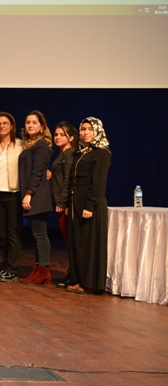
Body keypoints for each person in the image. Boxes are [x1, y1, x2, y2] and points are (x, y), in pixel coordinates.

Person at [66, 118, 111, 295]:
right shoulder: (80, 153)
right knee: (78, 243)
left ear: (97, 131)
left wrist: (90, 206)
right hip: (76, 203)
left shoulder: (102, 154)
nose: (85, 133)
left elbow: (98, 183)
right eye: (83, 129)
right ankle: (78, 279)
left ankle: (89, 282)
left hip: (91, 205)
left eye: (90, 129)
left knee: (88, 245)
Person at [0, 111, 24, 282]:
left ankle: (12, 269)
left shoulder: (21, 145)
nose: (2, 126)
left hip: (14, 194)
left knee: (13, 233)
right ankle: (5, 266)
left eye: (5, 123)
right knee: (1, 234)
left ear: (12, 126)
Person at [18, 111, 54, 285]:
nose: (30, 125)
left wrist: (29, 193)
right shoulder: (30, 145)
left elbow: (38, 171)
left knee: (40, 234)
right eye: (27, 122)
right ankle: (37, 269)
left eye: (34, 122)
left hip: (38, 195)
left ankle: (44, 271)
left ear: (42, 126)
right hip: (34, 193)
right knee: (36, 234)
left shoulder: (41, 145)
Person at [49, 121, 78, 288]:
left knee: (70, 240)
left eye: (62, 134)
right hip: (60, 202)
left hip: (64, 204)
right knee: (68, 240)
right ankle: (72, 273)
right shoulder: (62, 154)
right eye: (56, 134)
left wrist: (62, 202)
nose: (58, 137)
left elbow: (68, 180)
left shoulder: (69, 154)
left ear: (71, 137)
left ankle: (73, 275)